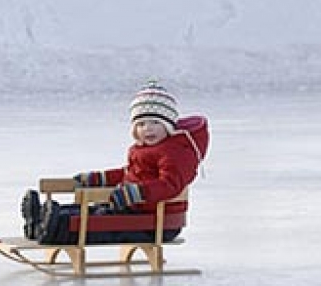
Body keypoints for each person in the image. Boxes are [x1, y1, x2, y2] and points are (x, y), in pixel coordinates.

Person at [20, 80, 209, 245]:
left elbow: (170, 184)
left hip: (156, 221)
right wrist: (98, 179)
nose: (148, 129)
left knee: (95, 222)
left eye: (155, 123)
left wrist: (136, 193)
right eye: (141, 124)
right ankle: (39, 222)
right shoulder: (143, 149)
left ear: (168, 126)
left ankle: (53, 229)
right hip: (133, 209)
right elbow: (127, 173)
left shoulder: (174, 152)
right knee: (86, 211)